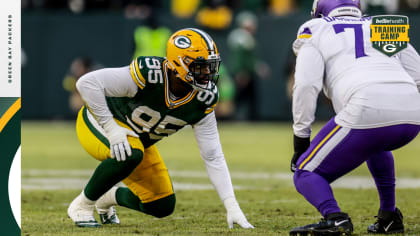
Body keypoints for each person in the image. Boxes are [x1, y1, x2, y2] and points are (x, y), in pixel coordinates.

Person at [67, 28, 254, 229]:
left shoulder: (203, 99)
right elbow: (87, 83)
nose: (208, 73)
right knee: (131, 153)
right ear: (179, 64)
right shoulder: (150, 74)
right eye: (201, 66)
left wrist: (231, 204)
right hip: (97, 122)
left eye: (210, 66)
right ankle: (82, 205)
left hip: (135, 142)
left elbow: (213, 155)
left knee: (161, 204)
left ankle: (108, 196)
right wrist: (111, 128)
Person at [289, 0, 420, 235]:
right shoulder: (381, 24)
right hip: (412, 112)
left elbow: (306, 85)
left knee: (305, 173)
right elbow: (418, 75)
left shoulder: (315, 28)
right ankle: (389, 216)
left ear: (320, 9)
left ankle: (335, 218)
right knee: (376, 145)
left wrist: (301, 138)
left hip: (366, 104)